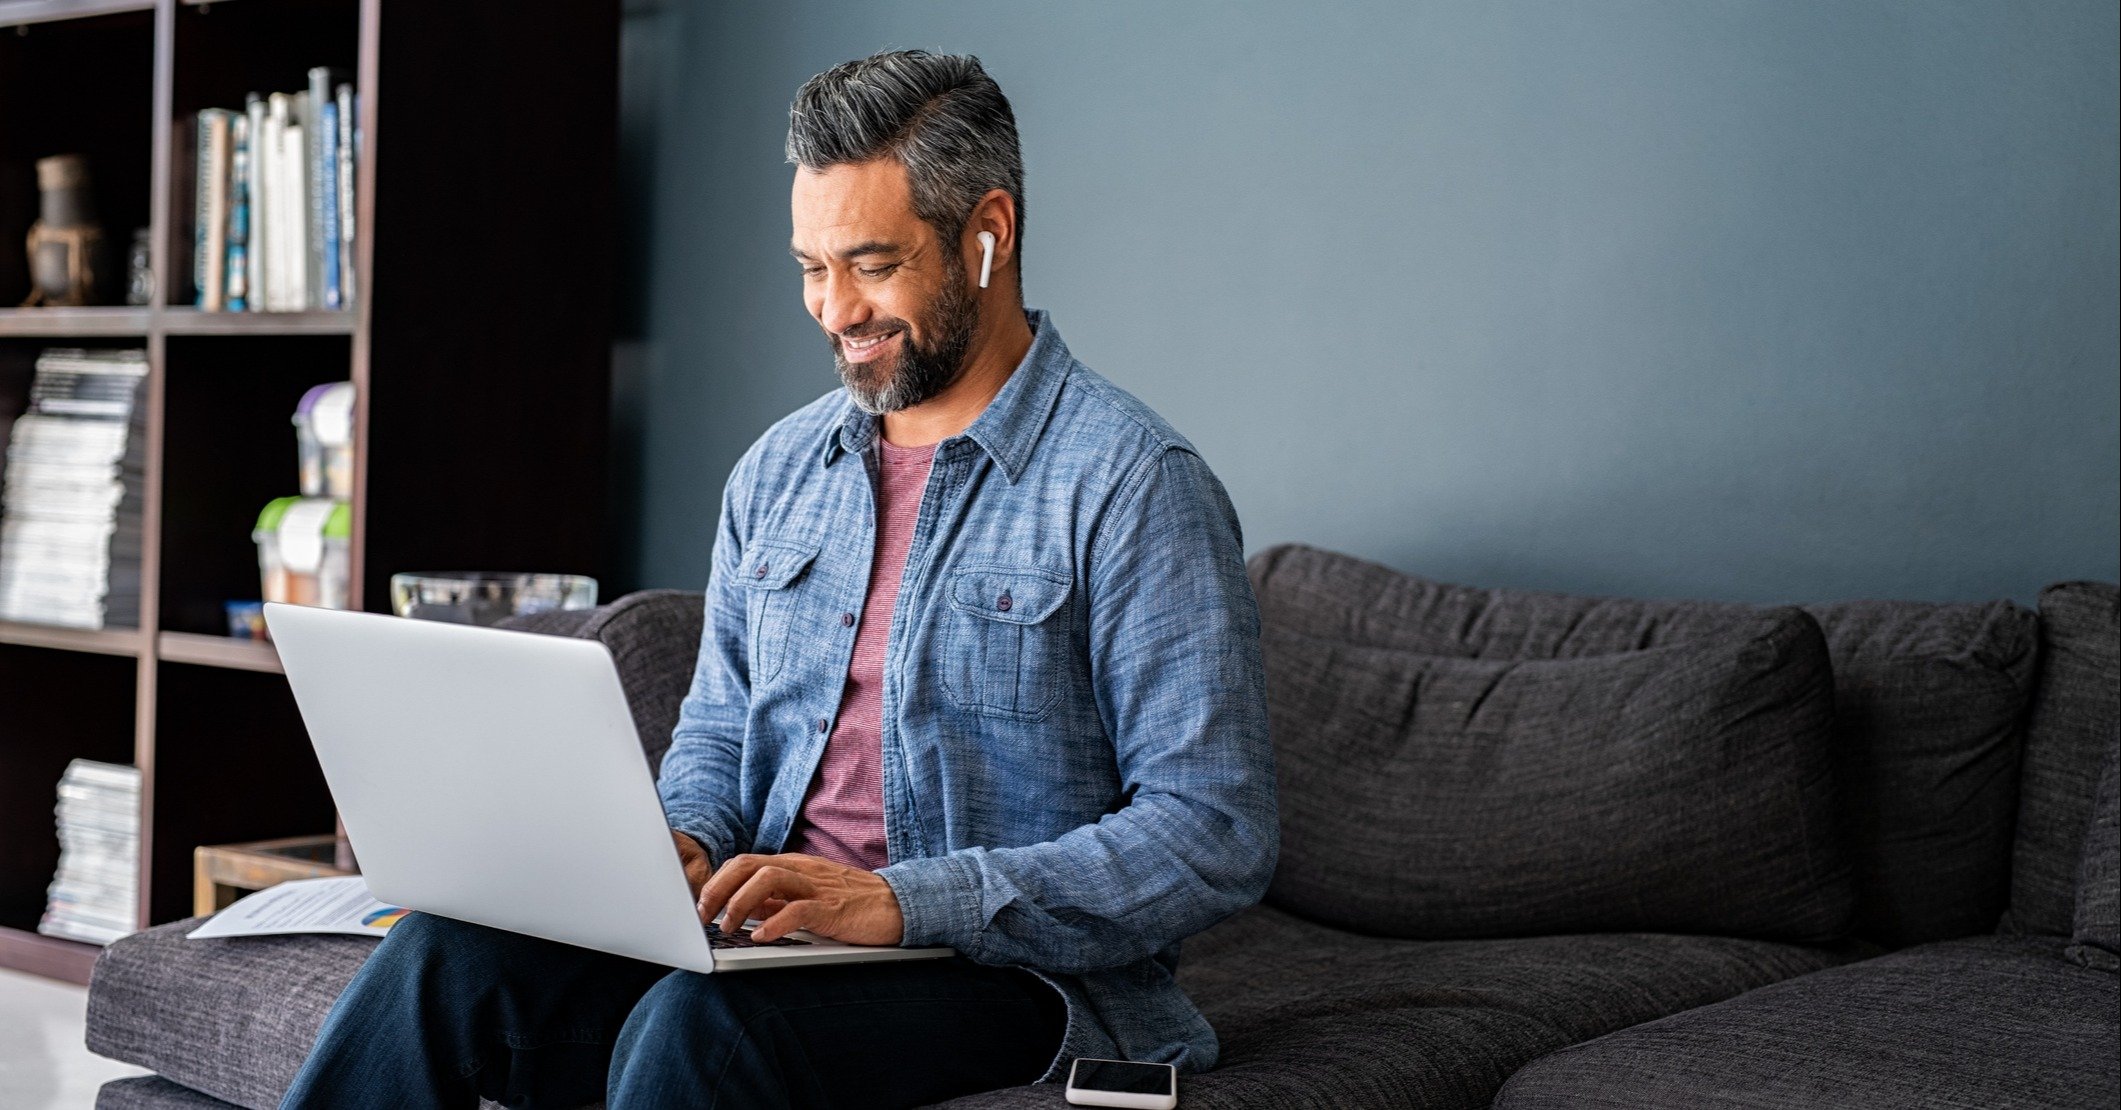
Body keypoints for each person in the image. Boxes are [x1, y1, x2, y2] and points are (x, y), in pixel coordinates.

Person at [280, 48, 1276, 1109]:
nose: (834, 308)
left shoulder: (1130, 483)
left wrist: (901, 902)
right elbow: (717, 730)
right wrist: (681, 842)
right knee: (446, 955)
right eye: (811, 265)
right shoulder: (781, 471)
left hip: (1007, 976)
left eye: (874, 264)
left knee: (701, 1031)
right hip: (772, 945)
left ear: (989, 233)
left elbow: (1212, 828)